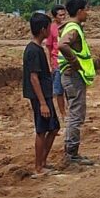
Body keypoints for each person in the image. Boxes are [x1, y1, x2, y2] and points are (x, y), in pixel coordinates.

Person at [58, 0, 97, 167]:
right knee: (76, 114)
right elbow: (62, 45)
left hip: (71, 76)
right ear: (80, 11)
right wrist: (75, 62)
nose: (87, 13)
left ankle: (71, 152)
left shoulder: (71, 27)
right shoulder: (73, 29)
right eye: (86, 10)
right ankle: (71, 154)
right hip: (73, 76)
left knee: (74, 113)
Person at [22, 11, 61, 173]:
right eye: (48, 28)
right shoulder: (33, 51)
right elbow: (33, 78)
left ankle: (43, 162)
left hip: (44, 95)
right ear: (43, 29)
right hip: (40, 97)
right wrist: (43, 103)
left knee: (53, 128)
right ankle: (38, 166)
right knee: (42, 130)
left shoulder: (37, 49)